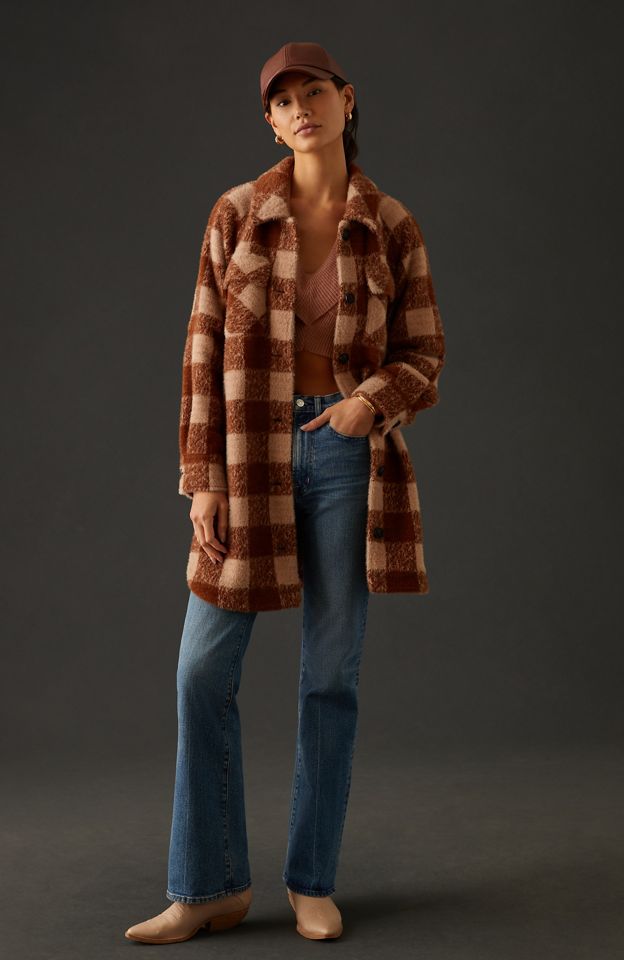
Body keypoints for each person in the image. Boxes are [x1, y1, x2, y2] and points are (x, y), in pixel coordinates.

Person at [124, 41, 446, 944]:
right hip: (246, 456)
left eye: (314, 92)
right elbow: (199, 349)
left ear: (347, 100)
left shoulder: (391, 223)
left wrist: (367, 405)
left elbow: (424, 352)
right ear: (270, 123)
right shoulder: (236, 214)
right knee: (201, 672)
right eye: (283, 101)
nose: (301, 108)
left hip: (344, 457)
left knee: (329, 676)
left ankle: (312, 881)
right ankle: (208, 886)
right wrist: (201, 479)